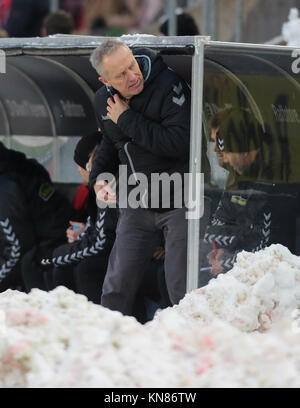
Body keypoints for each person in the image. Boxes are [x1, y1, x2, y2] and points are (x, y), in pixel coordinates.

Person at [89, 39, 191, 317]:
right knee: (116, 285)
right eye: (120, 75)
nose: (132, 76)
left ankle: (189, 349)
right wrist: (99, 178)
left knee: (180, 289)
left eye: (131, 65)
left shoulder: (168, 84)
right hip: (137, 199)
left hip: (179, 198)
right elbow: (111, 144)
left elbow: (179, 142)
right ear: (105, 80)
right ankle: (107, 346)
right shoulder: (104, 99)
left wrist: (127, 119)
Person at [202, 108, 298, 279]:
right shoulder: (240, 172)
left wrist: (226, 262)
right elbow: (220, 220)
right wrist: (222, 249)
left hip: (277, 275)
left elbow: (268, 249)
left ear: (244, 150)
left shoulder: (275, 182)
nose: (219, 154)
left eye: (226, 151)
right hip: (245, 261)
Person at [40, 132, 118, 305]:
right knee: (57, 266)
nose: (77, 169)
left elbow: (104, 240)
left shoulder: (107, 190)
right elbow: (100, 229)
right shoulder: (96, 191)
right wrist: (82, 233)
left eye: (81, 164)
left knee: (81, 268)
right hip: (113, 251)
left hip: (121, 255)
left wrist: (57, 255)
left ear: (91, 164)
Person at [0, 142, 72, 292]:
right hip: (39, 241)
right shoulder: (14, 166)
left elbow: (16, 248)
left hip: (53, 246)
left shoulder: (6, 186)